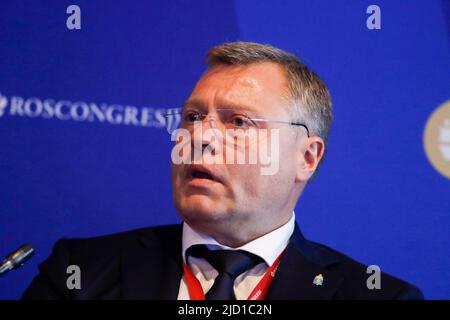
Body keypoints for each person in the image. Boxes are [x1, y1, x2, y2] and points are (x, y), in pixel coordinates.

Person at [22, 41, 423, 300]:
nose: (200, 137)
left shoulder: (376, 297)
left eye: (238, 122)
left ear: (306, 157)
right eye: (193, 117)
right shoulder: (79, 272)